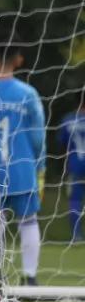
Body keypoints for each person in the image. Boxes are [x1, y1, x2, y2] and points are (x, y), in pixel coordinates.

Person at [0, 29, 46, 285]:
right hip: (22, 167)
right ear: (19, 59)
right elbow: (38, 136)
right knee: (29, 221)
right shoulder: (27, 93)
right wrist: (40, 165)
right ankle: (30, 277)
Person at [58, 88, 85, 242]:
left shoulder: (68, 120)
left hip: (75, 164)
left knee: (75, 200)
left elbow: (62, 145)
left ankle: (76, 235)